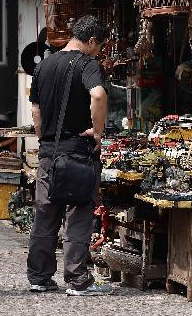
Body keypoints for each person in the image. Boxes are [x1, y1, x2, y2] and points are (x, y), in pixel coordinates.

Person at [27, 15, 112, 296]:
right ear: (90, 41)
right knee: (78, 213)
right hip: (77, 150)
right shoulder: (87, 64)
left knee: (45, 213)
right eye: (99, 46)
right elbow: (98, 95)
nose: (98, 52)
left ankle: (39, 277)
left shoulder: (45, 64)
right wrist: (97, 131)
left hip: (49, 152)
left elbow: (36, 110)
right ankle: (77, 280)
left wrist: (44, 138)